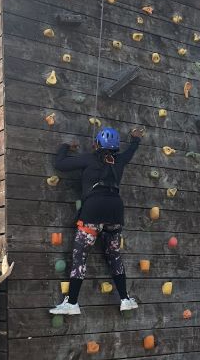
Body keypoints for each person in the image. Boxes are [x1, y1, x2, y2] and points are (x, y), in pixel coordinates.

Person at [50, 126, 144, 316]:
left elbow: (59, 164)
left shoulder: (89, 158)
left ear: (97, 145)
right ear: (115, 146)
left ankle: (73, 302)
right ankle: (125, 299)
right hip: (116, 211)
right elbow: (131, 151)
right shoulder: (120, 160)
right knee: (114, 255)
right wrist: (135, 139)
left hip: (93, 209)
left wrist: (65, 146)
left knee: (80, 255)